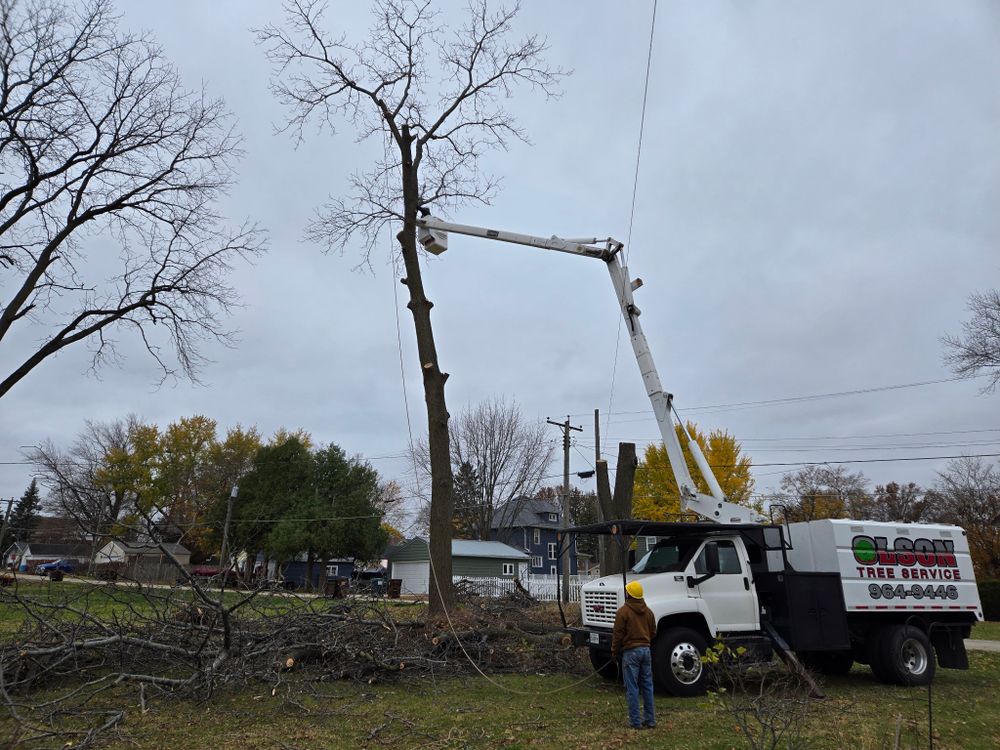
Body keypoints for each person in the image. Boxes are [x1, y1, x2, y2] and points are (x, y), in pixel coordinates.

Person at [611, 580, 656, 730]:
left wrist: (614, 652)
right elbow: (653, 632)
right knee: (647, 686)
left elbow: (617, 635)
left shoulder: (623, 612)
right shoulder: (648, 612)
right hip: (646, 651)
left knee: (632, 688)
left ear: (629, 594)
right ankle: (650, 720)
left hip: (631, 653)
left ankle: (635, 722)